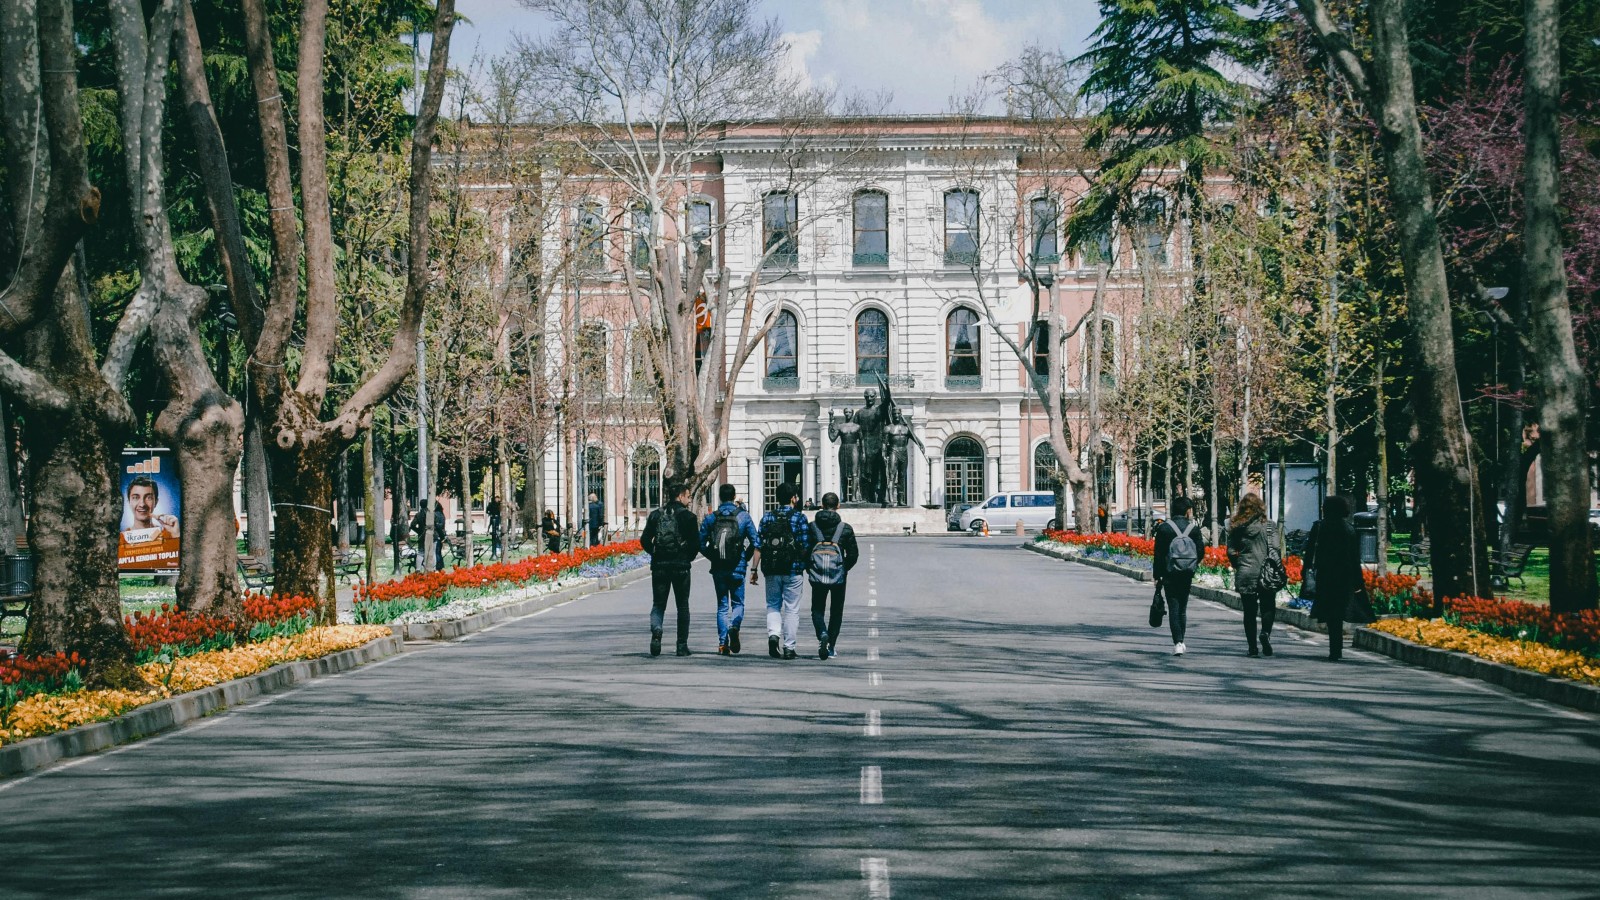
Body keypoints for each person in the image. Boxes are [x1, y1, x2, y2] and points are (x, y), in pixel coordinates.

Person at [748, 482, 812, 660]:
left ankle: (773, 636)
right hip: (793, 569)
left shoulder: (767, 518)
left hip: (771, 568)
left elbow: (758, 546)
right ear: (793, 498)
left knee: (773, 604)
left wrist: (753, 569)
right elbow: (805, 545)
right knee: (792, 609)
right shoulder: (799, 518)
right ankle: (789, 647)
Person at [641, 478, 701, 657]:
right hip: (681, 567)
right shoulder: (689, 517)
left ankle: (657, 631)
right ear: (680, 496)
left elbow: (644, 540)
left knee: (658, 604)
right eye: (688, 496)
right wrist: (686, 557)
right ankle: (681, 645)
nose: (690, 500)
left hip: (659, 566)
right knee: (682, 605)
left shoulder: (655, 515)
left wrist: (655, 553)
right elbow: (695, 543)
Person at [701, 484, 760, 655]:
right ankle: (734, 626)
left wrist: (712, 555)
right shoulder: (743, 517)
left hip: (718, 567)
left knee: (721, 605)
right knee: (738, 603)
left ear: (719, 496)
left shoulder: (712, 518)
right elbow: (756, 542)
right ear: (734, 496)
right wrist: (745, 556)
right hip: (737, 566)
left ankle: (722, 644)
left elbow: (700, 542)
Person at [1310, 495, 1368, 661]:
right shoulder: (1349, 529)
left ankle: (1335, 647)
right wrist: (1358, 580)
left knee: (1330, 612)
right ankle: (1337, 646)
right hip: (1345, 575)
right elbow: (1354, 557)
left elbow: (1310, 553)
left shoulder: (1320, 527)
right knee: (1339, 610)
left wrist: (1307, 570)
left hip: (1326, 575)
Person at [1153, 495, 1208, 656]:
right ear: (1188, 511)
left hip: (1170, 574)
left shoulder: (1164, 528)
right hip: (1186, 574)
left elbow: (1158, 554)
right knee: (1183, 608)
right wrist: (1191, 565)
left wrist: (1158, 575)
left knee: (1173, 607)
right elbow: (1200, 551)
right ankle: (1181, 640)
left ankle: (1177, 642)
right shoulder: (1194, 529)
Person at [808, 492, 860, 660]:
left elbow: (804, 551)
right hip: (838, 575)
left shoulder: (812, 526)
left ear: (822, 505)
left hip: (817, 575)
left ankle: (822, 633)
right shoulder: (844, 528)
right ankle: (831, 646)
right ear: (838, 506)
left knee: (817, 608)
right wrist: (843, 568)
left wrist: (811, 568)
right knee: (836, 611)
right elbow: (853, 554)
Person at [1227, 492, 1278, 658]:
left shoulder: (1235, 527)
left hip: (1246, 572)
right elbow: (1276, 548)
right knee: (1268, 606)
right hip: (1266, 573)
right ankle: (1265, 633)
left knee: (1249, 611)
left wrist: (1239, 564)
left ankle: (1252, 648)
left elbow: (1230, 551)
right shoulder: (1270, 525)